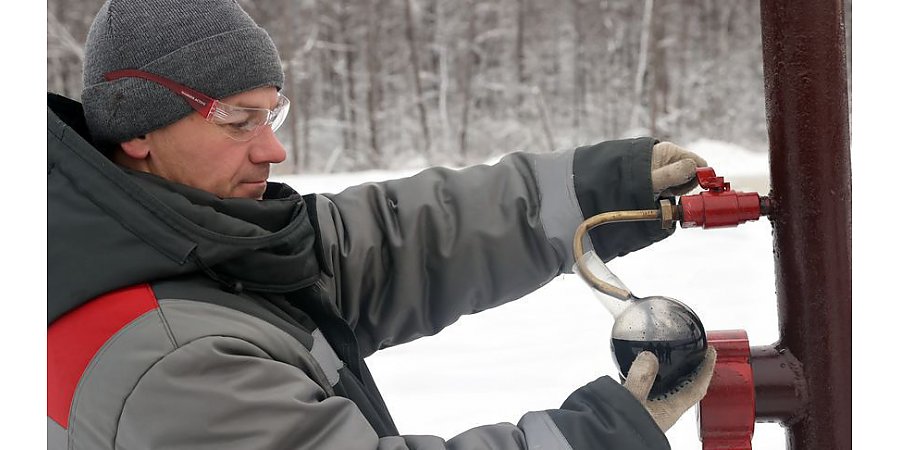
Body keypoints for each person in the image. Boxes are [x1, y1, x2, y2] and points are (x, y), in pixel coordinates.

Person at [47, 1, 716, 449]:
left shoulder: (202, 239)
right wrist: (602, 436)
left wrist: (598, 191)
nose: (274, 151)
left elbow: (402, 242)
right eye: (237, 120)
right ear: (137, 128)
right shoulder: (164, 360)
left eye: (271, 115)